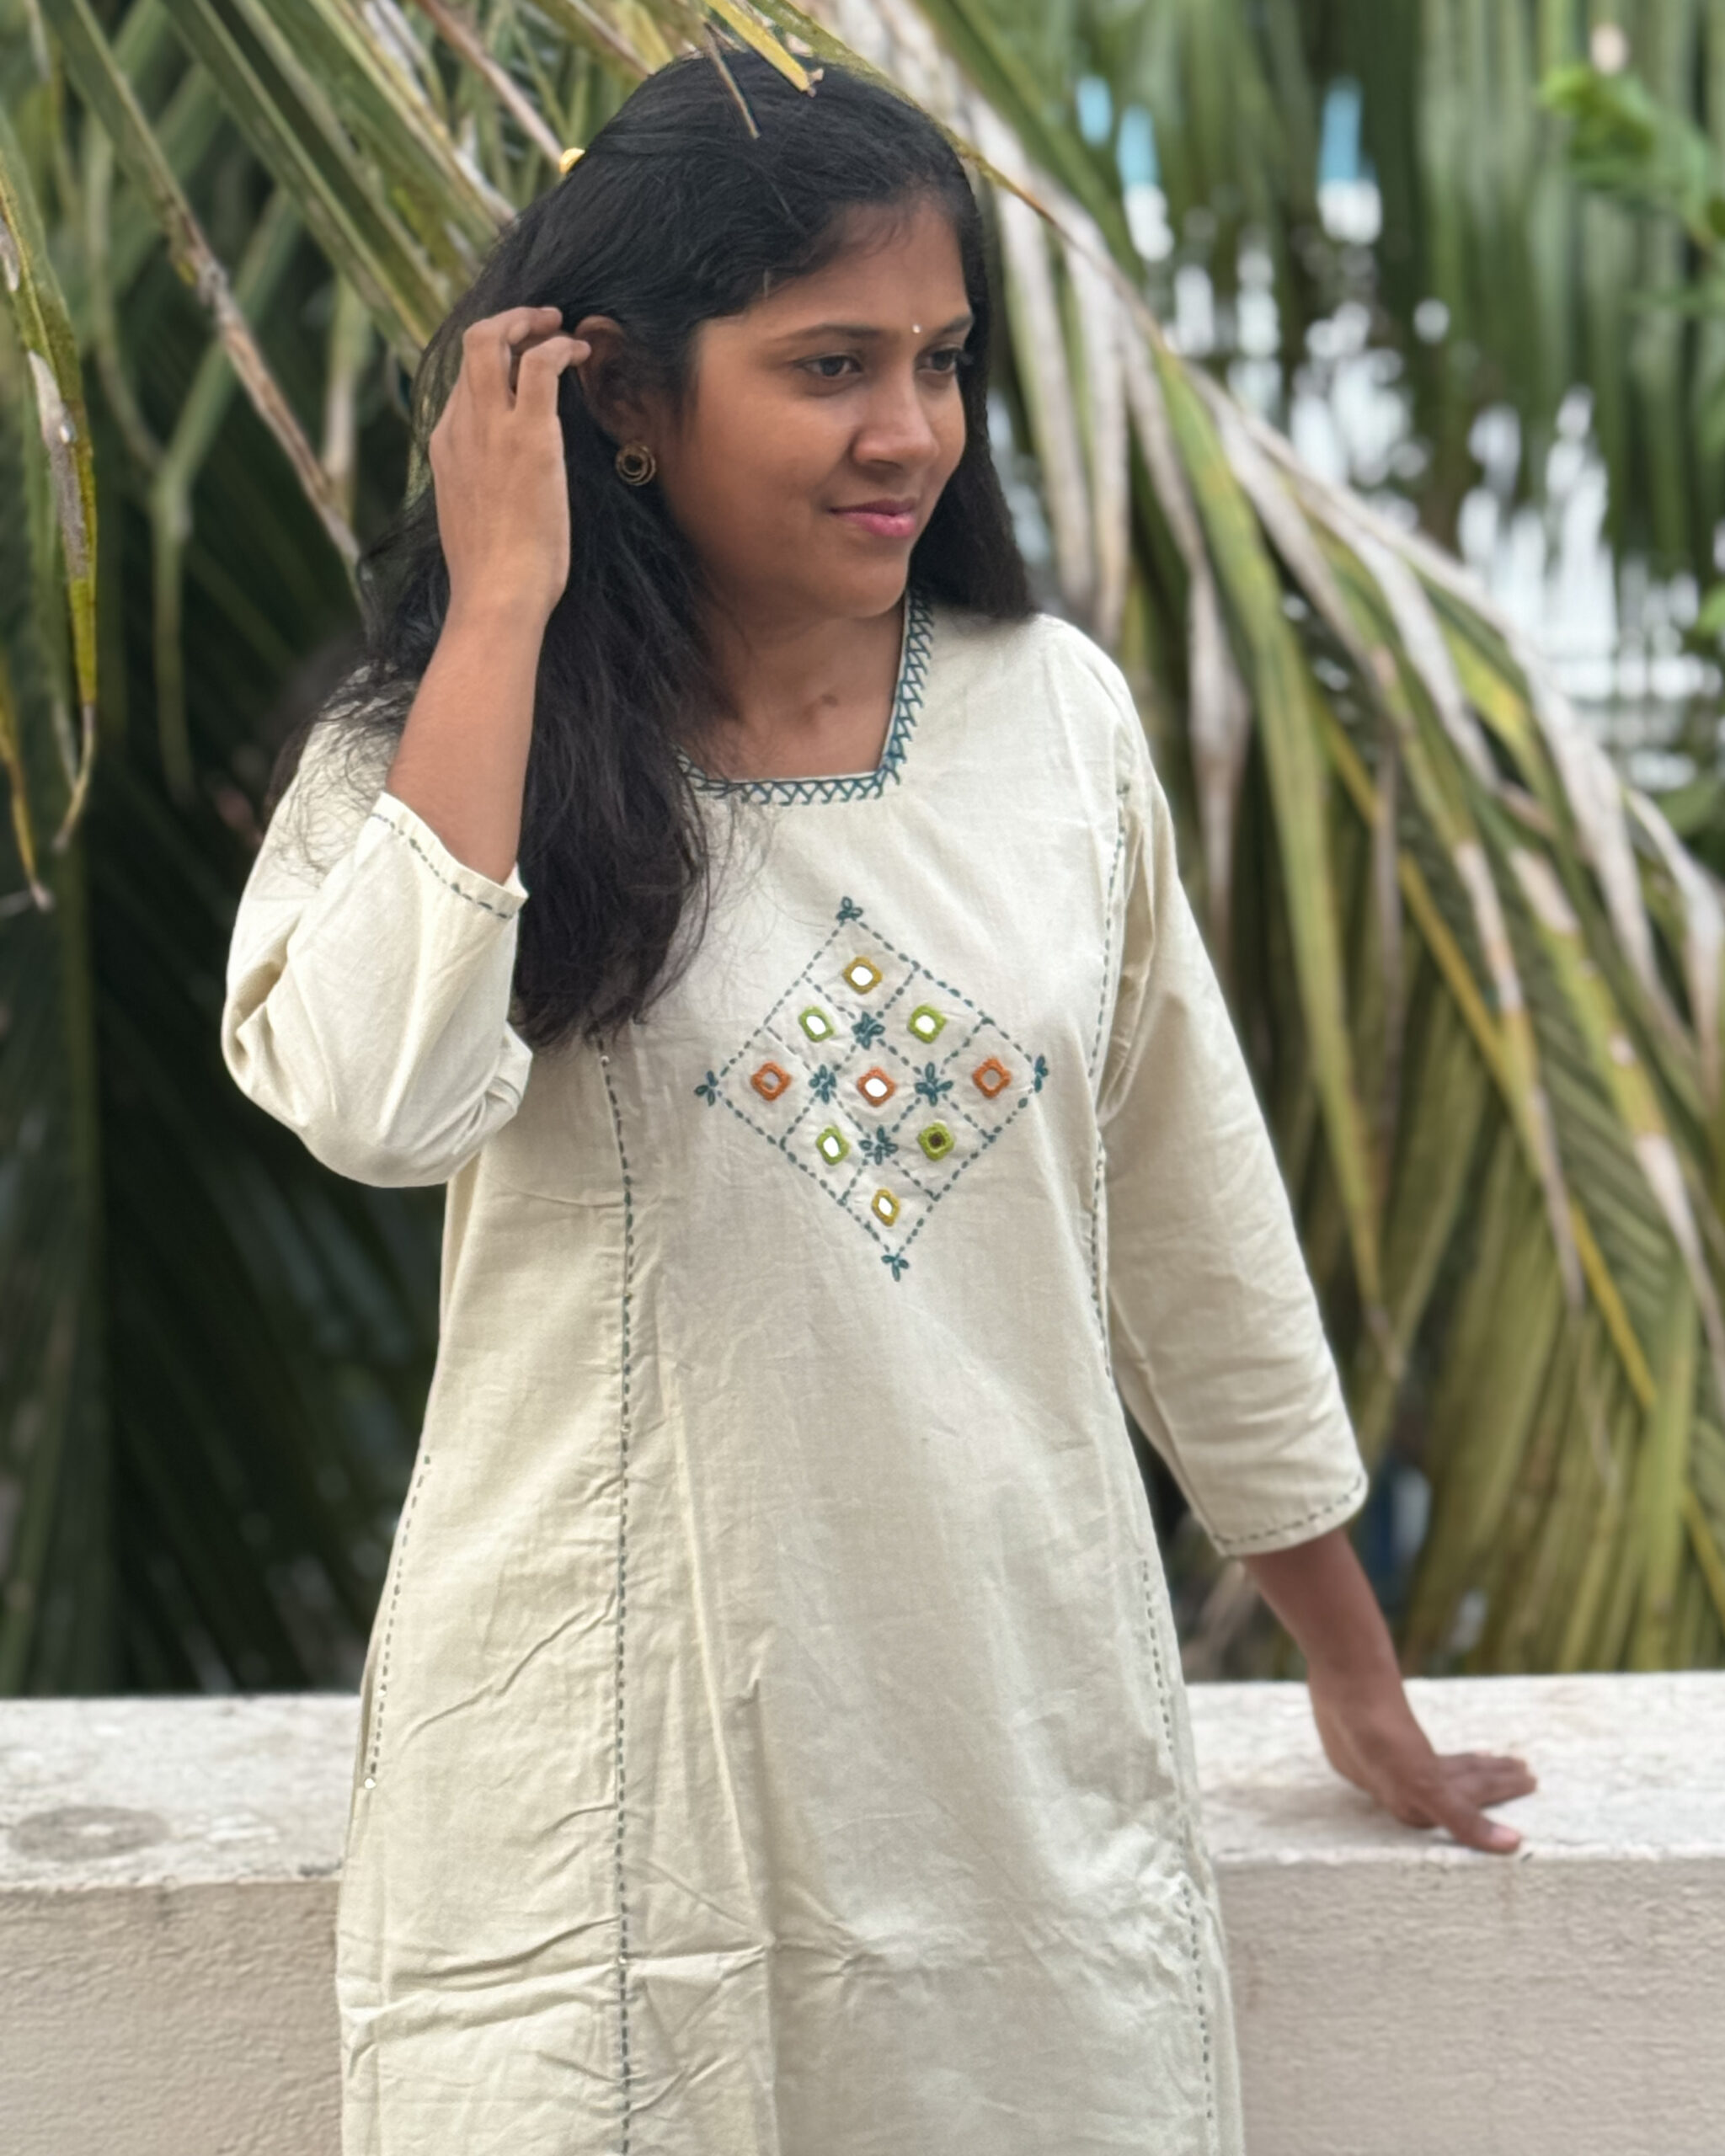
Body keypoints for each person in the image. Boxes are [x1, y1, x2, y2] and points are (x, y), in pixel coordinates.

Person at [221, 49, 1534, 2156]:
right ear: (618, 396)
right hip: (600, 1801)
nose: (910, 427)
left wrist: (1351, 1670)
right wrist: (504, 608)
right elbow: (375, 1098)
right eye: (829, 363)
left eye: (940, 358)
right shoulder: (441, 752)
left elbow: (1187, 1208)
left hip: (1004, 1774)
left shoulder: (1051, 724)